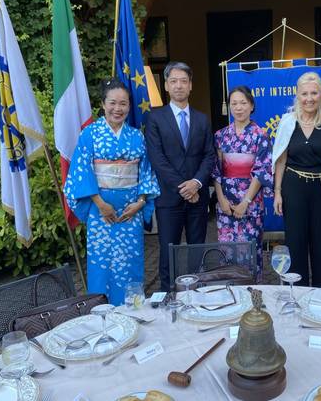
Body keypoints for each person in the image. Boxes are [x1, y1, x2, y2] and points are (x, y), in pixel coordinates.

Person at [64, 78, 160, 305]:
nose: (118, 109)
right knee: (102, 264)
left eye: (123, 104)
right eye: (113, 103)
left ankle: (133, 310)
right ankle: (102, 312)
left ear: (129, 106)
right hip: (102, 214)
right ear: (103, 104)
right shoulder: (90, 134)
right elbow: (81, 171)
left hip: (130, 213)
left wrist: (141, 202)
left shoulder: (137, 136)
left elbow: (145, 170)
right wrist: (99, 203)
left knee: (131, 261)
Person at [145, 61, 216, 291]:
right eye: (173, 81)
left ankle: (196, 295)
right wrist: (183, 188)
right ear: (166, 85)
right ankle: (168, 297)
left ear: (191, 85)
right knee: (168, 253)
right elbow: (157, 159)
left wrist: (196, 184)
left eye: (183, 81)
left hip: (198, 198)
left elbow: (209, 155)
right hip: (169, 200)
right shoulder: (155, 119)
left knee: (197, 252)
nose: (178, 86)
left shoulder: (202, 119)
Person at [272, 72, 321, 287]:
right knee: (295, 242)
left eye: (314, 93)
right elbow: (280, 160)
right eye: (304, 93)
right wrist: (277, 192)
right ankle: (298, 292)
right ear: (297, 95)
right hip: (293, 188)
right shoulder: (287, 122)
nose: (309, 98)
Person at [212, 86, 273, 278]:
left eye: (243, 103)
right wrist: (221, 198)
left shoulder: (260, 135)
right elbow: (216, 170)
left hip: (251, 202)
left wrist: (245, 202)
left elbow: (262, 171)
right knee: (227, 252)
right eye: (234, 103)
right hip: (226, 203)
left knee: (250, 252)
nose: (238, 108)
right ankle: (231, 296)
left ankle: (252, 295)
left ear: (252, 105)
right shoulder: (220, 136)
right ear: (229, 106)